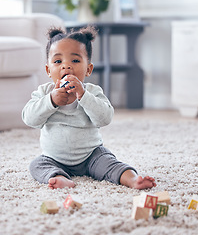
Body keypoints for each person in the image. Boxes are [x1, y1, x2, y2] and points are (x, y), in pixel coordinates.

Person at [22, 26, 156, 190]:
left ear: (88, 69)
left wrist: (83, 96)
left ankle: (133, 179)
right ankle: (59, 177)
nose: (66, 66)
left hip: (91, 155)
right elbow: (30, 119)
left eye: (76, 60)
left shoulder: (92, 92)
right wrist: (51, 101)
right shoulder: (44, 93)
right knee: (36, 165)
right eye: (58, 61)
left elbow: (105, 118)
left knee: (110, 163)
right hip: (54, 158)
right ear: (48, 70)